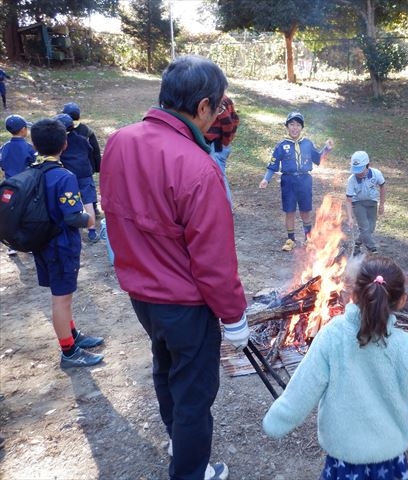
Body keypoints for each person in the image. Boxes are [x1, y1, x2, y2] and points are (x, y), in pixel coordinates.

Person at [100, 55, 249, 480]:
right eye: (219, 107)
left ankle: (174, 437)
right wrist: (234, 316)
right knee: (194, 393)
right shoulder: (197, 167)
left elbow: (114, 211)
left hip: (141, 296)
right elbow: (213, 259)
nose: (220, 114)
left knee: (165, 366)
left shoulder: (120, 141)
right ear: (203, 106)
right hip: (185, 303)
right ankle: (189, 470)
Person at [263, 255, 408, 480]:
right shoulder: (406, 347)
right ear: (402, 300)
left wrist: (278, 420)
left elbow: (303, 388)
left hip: (344, 459)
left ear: (351, 295)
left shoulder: (332, 336)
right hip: (390, 459)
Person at [29, 118, 104, 369]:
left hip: (42, 243)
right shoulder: (63, 176)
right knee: (62, 299)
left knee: (62, 296)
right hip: (60, 246)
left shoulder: (32, 170)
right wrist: (89, 216)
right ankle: (69, 351)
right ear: (64, 144)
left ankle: (73, 335)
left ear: (34, 143)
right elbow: (74, 217)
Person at [258, 111, 334, 251]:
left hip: (305, 180)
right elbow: (273, 164)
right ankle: (290, 239)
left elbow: (317, 159)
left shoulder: (307, 143)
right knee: (290, 210)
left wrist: (327, 149)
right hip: (288, 181)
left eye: (298, 125)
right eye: (291, 124)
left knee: (305, 210)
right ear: (287, 126)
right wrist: (266, 179)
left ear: (301, 127)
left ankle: (308, 238)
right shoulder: (281, 145)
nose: (294, 127)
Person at [54, 113, 99, 242]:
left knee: (69, 201)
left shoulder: (60, 143)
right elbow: (89, 151)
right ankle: (92, 231)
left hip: (69, 176)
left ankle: (71, 228)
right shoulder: (82, 139)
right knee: (88, 201)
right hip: (84, 173)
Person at [0, 114, 37, 255]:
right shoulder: (28, 148)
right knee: (27, 214)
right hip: (25, 186)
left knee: (12, 214)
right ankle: (29, 244)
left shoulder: (4, 147)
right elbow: (34, 164)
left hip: (9, 186)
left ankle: (12, 245)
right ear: (23, 130)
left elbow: (2, 164)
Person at [61, 102, 102, 217]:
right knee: (88, 189)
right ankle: (93, 207)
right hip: (85, 167)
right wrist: (97, 166)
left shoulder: (61, 131)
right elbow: (95, 150)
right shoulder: (86, 130)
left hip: (67, 166)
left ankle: (73, 208)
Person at [345, 151, 386, 255]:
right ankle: (372, 250)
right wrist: (350, 217)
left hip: (372, 203)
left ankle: (357, 243)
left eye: (360, 170)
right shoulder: (352, 180)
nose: (358, 173)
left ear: (368, 165)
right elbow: (348, 200)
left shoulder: (376, 174)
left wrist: (382, 204)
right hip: (358, 203)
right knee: (364, 227)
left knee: (370, 229)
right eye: (356, 170)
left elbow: (382, 186)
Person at [204, 94, 239, 203]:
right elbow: (236, 119)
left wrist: (225, 142)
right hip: (216, 145)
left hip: (217, 146)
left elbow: (228, 123)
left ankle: (227, 207)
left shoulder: (217, 101)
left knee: (219, 177)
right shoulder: (225, 98)